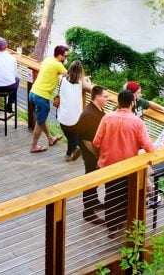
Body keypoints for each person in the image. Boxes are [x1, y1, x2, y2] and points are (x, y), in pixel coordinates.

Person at [93, 89, 154, 236]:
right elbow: (149, 147)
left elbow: (96, 141)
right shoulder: (137, 122)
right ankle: (123, 222)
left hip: (108, 164)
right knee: (126, 194)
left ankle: (112, 225)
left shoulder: (107, 118)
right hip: (128, 166)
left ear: (118, 102)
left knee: (110, 193)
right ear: (132, 103)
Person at [75, 86, 109, 224]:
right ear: (96, 97)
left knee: (94, 179)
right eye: (105, 96)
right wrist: (96, 156)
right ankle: (88, 212)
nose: (108, 98)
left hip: (95, 152)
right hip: (91, 154)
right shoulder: (89, 114)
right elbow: (85, 139)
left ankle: (94, 201)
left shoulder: (97, 110)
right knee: (90, 180)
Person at [27, 45, 68, 153]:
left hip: (33, 92)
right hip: (41, 97)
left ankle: (50, 139)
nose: (66, 58)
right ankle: (34, 146)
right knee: (39, 123)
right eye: (65, 56)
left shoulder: (48, 59)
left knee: (42, 118)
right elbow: (70, 76)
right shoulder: (58, 65)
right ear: (60, 56)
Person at [57, 60, 93, 162]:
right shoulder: (82, 84)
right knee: (73, 135)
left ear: (69, 70)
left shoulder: (62, 79)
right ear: (81, 72)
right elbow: (94, 89)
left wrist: (82, 79)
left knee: (70, 135)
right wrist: (87, 82)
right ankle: (73, 150)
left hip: (62, 117)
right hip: (76, 119)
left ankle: (70, 153)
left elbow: (65, 77)